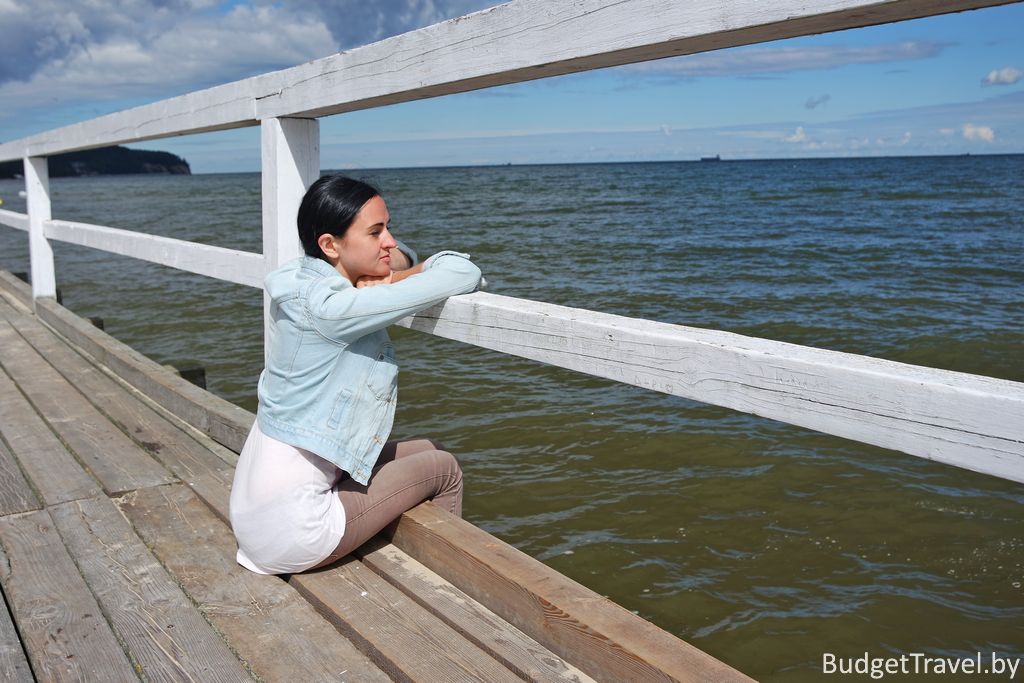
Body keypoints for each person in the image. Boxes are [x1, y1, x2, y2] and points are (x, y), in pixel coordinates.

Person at [229, 175, 482, 575]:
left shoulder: (303, 280)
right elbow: (462, 272)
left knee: (427, 446)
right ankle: (449, 587)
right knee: (444, 467)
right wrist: (403, 277)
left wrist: (386, 271)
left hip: (254, 521)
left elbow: (402, 253)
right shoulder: (335, 308)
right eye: (376, 231)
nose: (391, 241)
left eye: (388, 227)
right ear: (330, 245)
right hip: (295, 532)